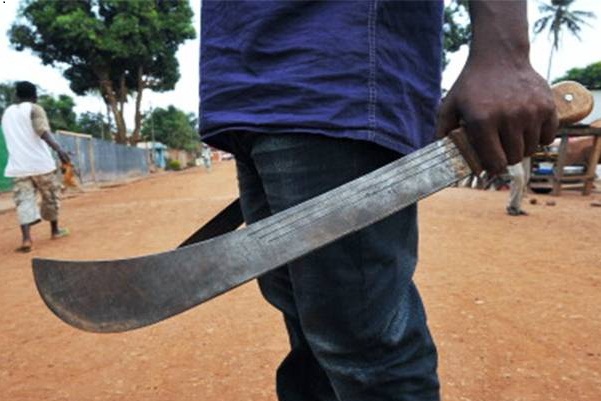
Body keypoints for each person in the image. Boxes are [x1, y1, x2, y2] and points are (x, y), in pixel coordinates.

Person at [199, 2, 558, 400]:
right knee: (309, 336)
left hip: (335, 78)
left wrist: (505, 51)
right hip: (244, 93)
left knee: (365, 351)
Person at [1, 81, 71, 253]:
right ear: (35, 96)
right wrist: (59, 149)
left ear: (17, 95)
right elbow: (42, 131)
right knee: (51, 197)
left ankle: (26, 239)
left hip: (19, 167)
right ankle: (55, 230)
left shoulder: (7, 113)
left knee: (23, 200)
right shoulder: (34, 108)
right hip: (41, 165)